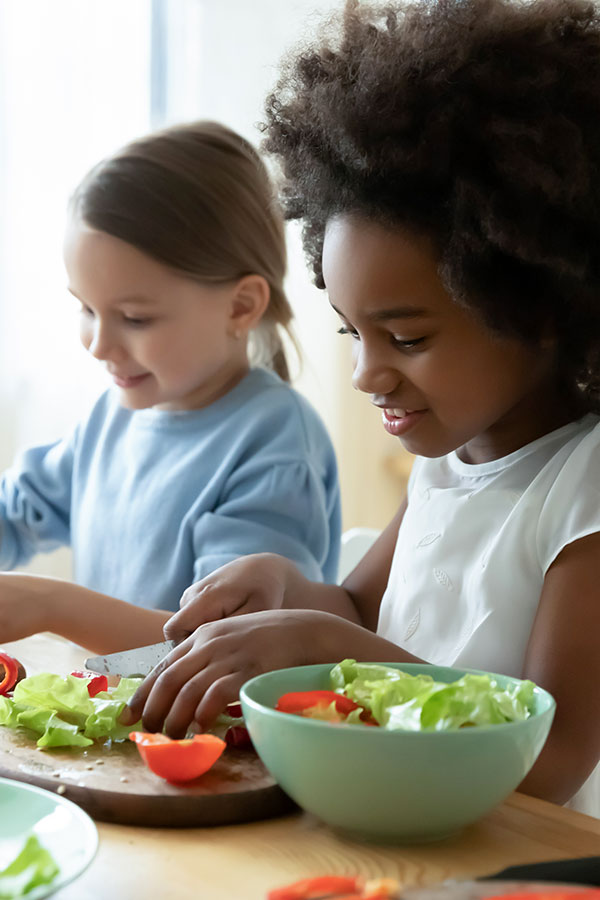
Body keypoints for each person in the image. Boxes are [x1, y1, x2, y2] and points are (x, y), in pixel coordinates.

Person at [123, 0, 600, 816]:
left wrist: (336, 651)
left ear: (543, 308)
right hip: (405, 829)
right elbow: (355, 609)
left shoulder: (581, 489)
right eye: (351, 332)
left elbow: (549, 761)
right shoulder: (449, 464)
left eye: (406, 339)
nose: (364, 373)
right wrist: (289, 593)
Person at [0, 121, 341, 654]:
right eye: (86, 309)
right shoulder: (111, 417)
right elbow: (16, 510)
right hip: (108, 728)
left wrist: (50, 605)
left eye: (134, 318)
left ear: (240, 306)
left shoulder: (272, 443)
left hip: (209, 735)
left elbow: (224, 647)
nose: (98, 344)